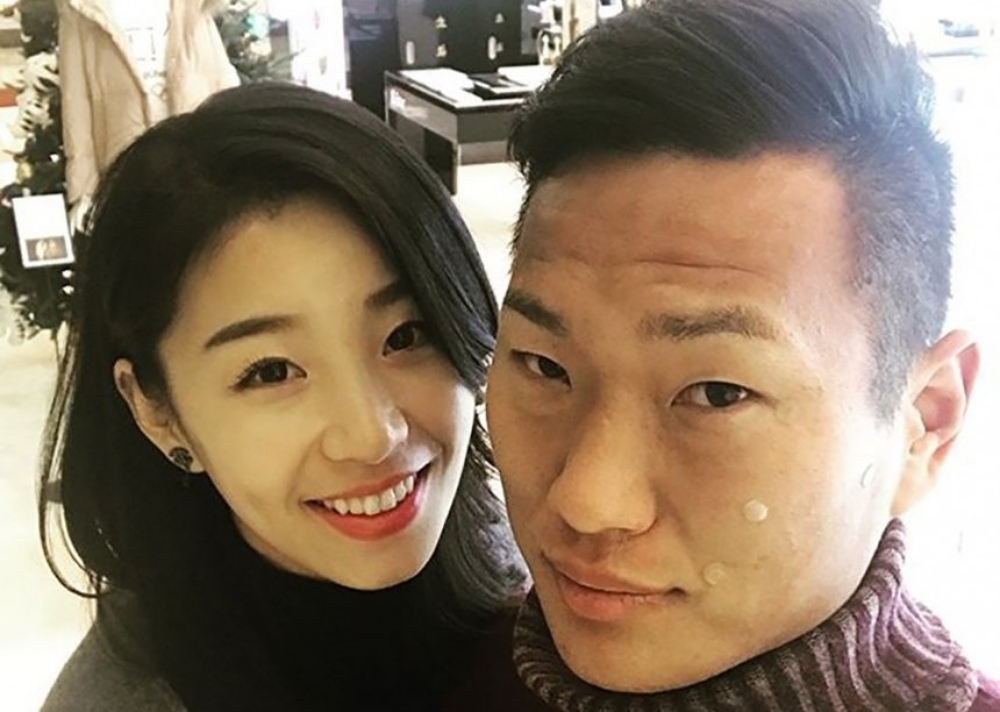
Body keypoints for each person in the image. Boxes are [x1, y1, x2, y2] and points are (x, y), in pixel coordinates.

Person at [484, 0, 1000, 709]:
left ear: (924, 425)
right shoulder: (444, 680)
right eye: (546, 367)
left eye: (718, 393)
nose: (587, 501)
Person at [39, 82, 527, 711]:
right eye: (271, 372)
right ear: (157, 412)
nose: (373, 435)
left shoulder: (529, 558)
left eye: (406, 335)